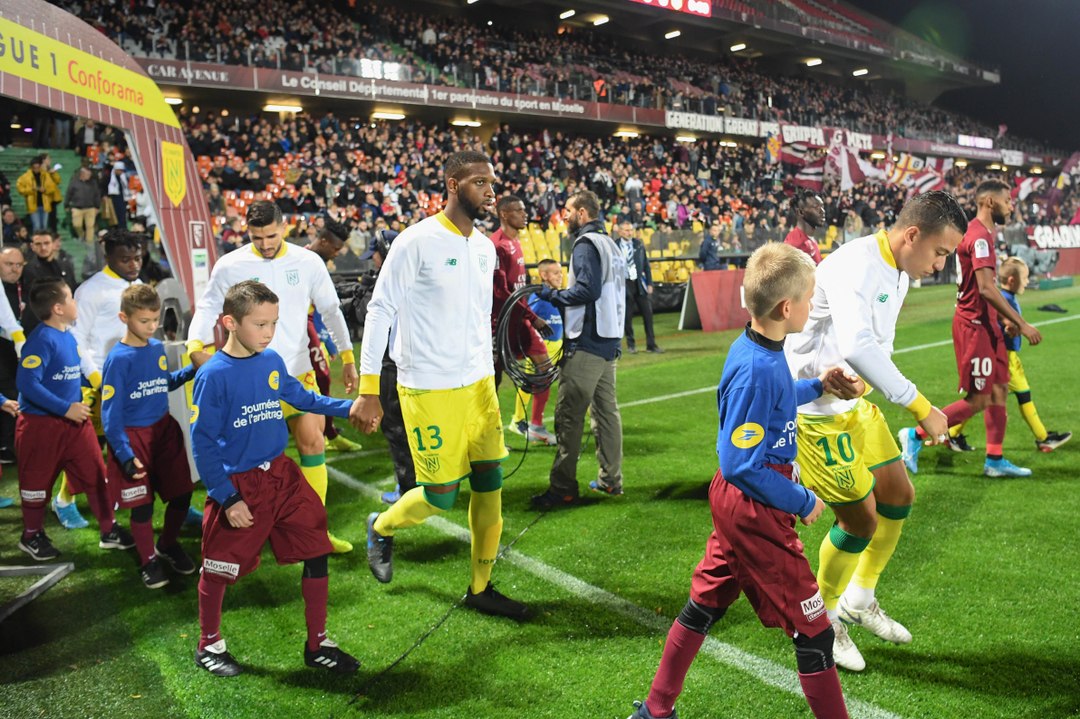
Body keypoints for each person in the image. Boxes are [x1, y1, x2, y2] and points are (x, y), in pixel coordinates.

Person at [627, 243, 857, 719]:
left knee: (704, 605)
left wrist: (818, 386)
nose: (813, 306)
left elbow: (775, 398)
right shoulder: (756, 368)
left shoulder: (758, 347)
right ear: (787, 308)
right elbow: (739, 464)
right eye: (809, 298)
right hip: (755, 505)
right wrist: (801, 499)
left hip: (742, 503)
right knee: (815, 631)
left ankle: (655, 709)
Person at [785, 191, 966, 672]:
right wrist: (921, 406)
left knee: (898, 495)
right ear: (913, 235)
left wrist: (863, 382)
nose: (941, 265)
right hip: (815, 412)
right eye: (940, 253)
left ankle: (859, 600)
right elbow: (857, 345)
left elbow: (878, 346)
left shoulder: (899, 271)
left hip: (852, 403)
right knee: (859, 521)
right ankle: (821, 619)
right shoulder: (856, 265)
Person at [357, 150, 528, 620]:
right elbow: (380, 310)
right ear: (453, 185)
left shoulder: (485, 248)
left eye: (492, 183)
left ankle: (480, 587)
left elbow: (477, 317)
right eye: (479, 183)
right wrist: (369, 388)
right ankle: (382, 526)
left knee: (490, 483)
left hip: (479, 385)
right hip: (428, 388)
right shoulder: (415, 241)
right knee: (440, 497)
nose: (490, 192)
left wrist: (495, 365)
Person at [191, 280, 362, 677]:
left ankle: (317, 644)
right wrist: (227, 498)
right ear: (230, 323)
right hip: (240, 485)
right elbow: (202, 444)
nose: (269, 332)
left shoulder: (270, 360)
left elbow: (302, 398)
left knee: (316, 547)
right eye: (260, 324)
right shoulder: (213, 375)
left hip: (282, 476)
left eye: (274, 323)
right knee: (218, 568)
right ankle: (208, 644)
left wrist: (348, 407)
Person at [187, 201, 358, 554]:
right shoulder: (230, 264)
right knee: (247, 457)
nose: (265, 244)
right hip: (248, 379)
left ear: (284, 228)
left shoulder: (307, 262)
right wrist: (194, 345)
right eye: (257, 237)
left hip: (296, 370)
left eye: (271, 236)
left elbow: (330, 310)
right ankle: (246, 523)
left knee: (313, 444)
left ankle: (316, 532)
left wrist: (347, 357)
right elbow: (207, 306)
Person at [899, 181, 1042, 478]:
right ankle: (914, 435)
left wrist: (1002, 320)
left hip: (988, 325)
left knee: (999, 391)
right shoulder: (978, 236)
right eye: (1007, 200)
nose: (1011, 206)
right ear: (989, 202)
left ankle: (995, 460)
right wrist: (1020, 323)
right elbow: (986, 288)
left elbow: (984, 290)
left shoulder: (983, 234)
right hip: (974, 327)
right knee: (978, 399)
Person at [14, 279, 135, 560]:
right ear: (58, 308)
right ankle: (31, 535)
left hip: (75, 425)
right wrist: (65, 408)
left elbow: (71, 373)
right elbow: (27, 383)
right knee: (36, 484)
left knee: (95, 474)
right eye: (70, 298)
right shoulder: (41, 340)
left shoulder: (68, 335)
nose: (75, 303)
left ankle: (109, 529)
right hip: (41, 427)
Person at [530, 190, 626, 508]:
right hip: (609, 339)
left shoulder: (586, 243)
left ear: (582, 213)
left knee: (569, 417)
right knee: (606, 414)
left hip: (587, 342)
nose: (565, 216)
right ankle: (611, 481)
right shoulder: (610, 243)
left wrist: (552, 295)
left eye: (569, 211)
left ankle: (563, 489)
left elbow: (587, 290)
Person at [101, 285, 199, 589]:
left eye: (155, 319)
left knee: (182, 494)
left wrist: (191, 371)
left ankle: (167, 544)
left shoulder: (156, 348)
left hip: (164, 432)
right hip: (133, 439)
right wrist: (125, 455)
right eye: (144, 321)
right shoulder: (118, 359)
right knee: (142, 506)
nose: (151, 326)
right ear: (124, 318)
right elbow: (110, 414)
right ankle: (148, 561)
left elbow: (161, 383)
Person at [59, 229, 146, 530]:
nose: (133, 265)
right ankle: (64, 500)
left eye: (137, 258)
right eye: (125, 259)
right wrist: (95, 376)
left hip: (132, 380)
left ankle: (127, 495)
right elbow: (75, 338)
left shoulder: (139, 285)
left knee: (135, 442)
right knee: (89, 448)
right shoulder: (91, 290)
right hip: (98, 380)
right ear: (108, 257)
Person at [947, 258, 1070, 453]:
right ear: (1012, 280)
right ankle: (1043, 438)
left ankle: (952, 434)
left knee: (982, 399)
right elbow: (994, 322)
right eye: (1025, 278)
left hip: (1007, 357)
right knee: (1016, 396)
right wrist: (1010, 327)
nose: (1028, 282)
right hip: (1004, 358)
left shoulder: (1004, 297)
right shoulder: (1004, 300)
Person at [348, 229, 416, 505]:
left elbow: (367, 318)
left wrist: (363, 294)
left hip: (391, 363)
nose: (373, 260)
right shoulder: (417, 274)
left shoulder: (385, 281)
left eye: (375, 254)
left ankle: (408, 488)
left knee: (396, 427)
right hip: (418, 363)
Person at [490, 195, 556, 445]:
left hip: (521, 321)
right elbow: (501, 291)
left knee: (545, 367)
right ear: (504, 214)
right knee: (493, 382)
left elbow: (516, 286)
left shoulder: (516, 242)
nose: (524, 214)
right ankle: (493, 436)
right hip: (500, 324)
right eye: (518, 210)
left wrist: (527, 316)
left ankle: (536, 424)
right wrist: (533, 316)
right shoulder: (496, 244)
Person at [304, 218, 363, 453]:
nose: (337, 254)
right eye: (335, 249)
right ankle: (327, 433)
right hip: (302, 326)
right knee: (321, 377)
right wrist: (327, 340)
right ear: (324, 242)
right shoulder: (307, 261)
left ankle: (324, 430)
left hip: (307, 325)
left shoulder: (310, 259)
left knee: (318, 378)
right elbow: (324, 310)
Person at [509, 258, 563, 445]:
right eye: (555, 273)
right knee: (532, 383)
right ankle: (518, 420)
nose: (560, 276)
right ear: (544, 275)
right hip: (543, 348)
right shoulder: (538, 299)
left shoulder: (557, 295)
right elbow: (526, 320)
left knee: (567, 381)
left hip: (557, 345)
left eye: (561, 272)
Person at [0, 247, 28, 466]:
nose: (15, 269)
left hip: (14, 355)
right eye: (9, 264)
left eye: (19, 265)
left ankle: (12, 445)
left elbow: (10, 321)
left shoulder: (24, 285)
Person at [617, 221, 662, 354]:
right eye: (626, 230)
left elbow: (646, 265)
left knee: (648, 314)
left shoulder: (638, 244)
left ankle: (651, 345)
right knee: (627, 317)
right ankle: (631, 345)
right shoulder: (614, 246)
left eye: (631, 230)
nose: (629, 233)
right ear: (620, 232)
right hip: (624, 283)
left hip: (639, 283)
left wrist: (649, 283)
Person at [22, 231, 77, 334]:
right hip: (38, 324)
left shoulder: (65, 266)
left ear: (54, 244)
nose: (43, 248)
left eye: (46, 243)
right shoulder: (27, 270)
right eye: (38, 244)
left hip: (65, 323)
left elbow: (72, 288)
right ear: (32, 246)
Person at [15, 156, 60, 232]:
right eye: (34, 168)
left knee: (44, 227)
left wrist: (45, 190)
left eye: (38, 167)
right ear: (31, 167)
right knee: (37, 227)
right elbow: (20, 189)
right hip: (33, 206)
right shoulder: (25, 177)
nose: (36, 169)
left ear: (40, 166)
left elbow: (53, 187)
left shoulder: (45, 175)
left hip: (45, 205)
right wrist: (32, 190)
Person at [785, 190, 825, 265]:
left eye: (822, 207)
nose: (822, 211)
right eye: (816, 207)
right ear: (800, 212)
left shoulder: (809, 237)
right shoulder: (795, 245)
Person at [65, 166, 101, 246]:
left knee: (90, 226)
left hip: (90, 207)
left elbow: (97, 195)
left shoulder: (93, 183)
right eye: (88, 174)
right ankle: (81, 236)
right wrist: (66, 204)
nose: (89, 176)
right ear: (82, 174)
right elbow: (69, 194)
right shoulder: (74, 182)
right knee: (77, 225)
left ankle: (89, 243)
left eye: (90, 174)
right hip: (77, 207)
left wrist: (97, 206)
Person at [105, 161, 130, 229]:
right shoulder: (110, 177)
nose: (121, 172)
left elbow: (125, 187)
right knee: (115, 215)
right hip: (113, 198)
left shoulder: (123, 176)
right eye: (120, 170)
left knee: (123, 214)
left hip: (122, 198)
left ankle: (123, 228)